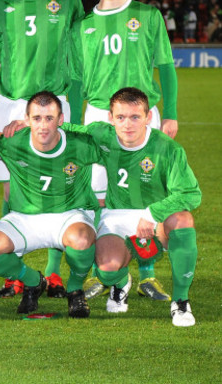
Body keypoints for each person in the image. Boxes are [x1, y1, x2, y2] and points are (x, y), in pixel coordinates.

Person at [70, 0, 178, 301]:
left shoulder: (147, 16)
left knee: (145, 193)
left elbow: (165, 67)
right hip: (99, 115)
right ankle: (106, 269)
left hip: (141, 116)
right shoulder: (83, 25)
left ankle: (146, 274)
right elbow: (74, 82)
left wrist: (171, 113)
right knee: (98, 192)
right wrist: (72, 125)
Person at [0, 0, 85, 299]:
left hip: (55, 101)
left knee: (58, 184)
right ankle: (18, 271)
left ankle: (54, 271)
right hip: (11, 101)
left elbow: (76, 52)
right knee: (12, 185)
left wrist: (71, 108)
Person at [68, 87, 200, 327]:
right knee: (107, 270)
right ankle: (121, 283)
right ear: (110, 118)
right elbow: (69, 131)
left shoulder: (167, 148)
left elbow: (191, 193)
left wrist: (152, 214)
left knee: (182, 220)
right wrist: (28, 125)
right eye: (120, 117)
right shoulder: (102, 134)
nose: (127, 124)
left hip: (156, 220)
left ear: (148, 117)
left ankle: (181, 302)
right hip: (117, 216)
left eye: (135, 117)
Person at [0, 91, 99, 319]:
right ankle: (34, 282)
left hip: (69, 215)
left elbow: (110, 141)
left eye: (49, 118)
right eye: (36, 118)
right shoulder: (14, 142)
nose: (43, 125)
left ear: (61, 120)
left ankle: (74, 289)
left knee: (82, 240)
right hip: (24, 217)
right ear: (27, 119)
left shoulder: (80, 144)